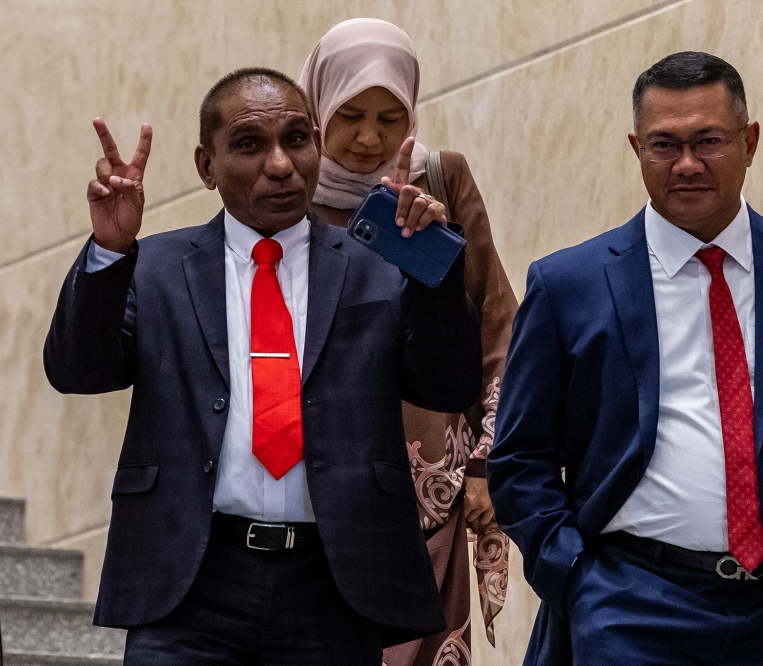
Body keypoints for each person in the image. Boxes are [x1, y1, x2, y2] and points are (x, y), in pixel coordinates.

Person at [43, 67, 483, 665]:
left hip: (333, 584)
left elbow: (447, 383)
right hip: (190, 583)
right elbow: (78, 370)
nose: (281, 165)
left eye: (297, 139)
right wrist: (109, 251)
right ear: (206, 166)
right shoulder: (156, 268)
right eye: (250, 145)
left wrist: (430, 267)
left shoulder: (376, 267)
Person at [488, 51, 763, 665]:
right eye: (664, 145)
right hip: (633, 607)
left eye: (708, 141)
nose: (687, 164)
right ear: (635, 149)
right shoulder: (569, 286)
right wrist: (577, 578)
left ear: (750, 141)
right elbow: (519, 459)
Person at [298, 18, 516, 664]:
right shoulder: (284, 192)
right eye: (351, 115)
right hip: (313, 490)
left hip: (431, 490)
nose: (369, 137)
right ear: (318, 111)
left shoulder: (440, 179)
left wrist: (486, 463)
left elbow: (498, 326)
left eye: (390, 118)